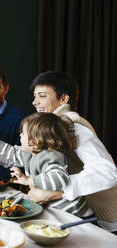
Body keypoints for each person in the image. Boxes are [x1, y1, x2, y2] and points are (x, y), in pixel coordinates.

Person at [29, 71, 117, 231]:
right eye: (35, 96)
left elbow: (107, 172)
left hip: (109, 221)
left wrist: (57, 193)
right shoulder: (56, 126)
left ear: (63, 99)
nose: (35, 102)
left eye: (42, 96)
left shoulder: (73, 126)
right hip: (87, 216)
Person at [0, 112, 91, 217]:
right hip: (56, 211)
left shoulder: (52, 156)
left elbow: (59, 179)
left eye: (22, 132)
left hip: (73, 214)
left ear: (33, 141)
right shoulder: (30, 155)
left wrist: (29, 180)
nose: (20, 135)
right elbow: (10, 152)